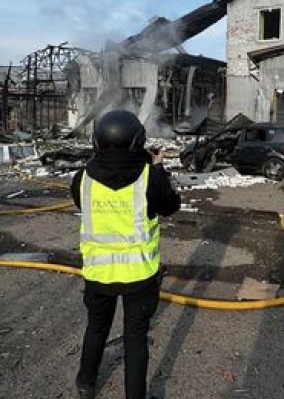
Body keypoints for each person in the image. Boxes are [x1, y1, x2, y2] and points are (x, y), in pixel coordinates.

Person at [70, 110, 180, 399]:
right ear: (138, 141)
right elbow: (170, 206)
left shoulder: (82, 178)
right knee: (135, 341)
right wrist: (157, 169)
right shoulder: (149, 178)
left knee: (96, 329)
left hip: (98, 274)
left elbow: (82, 205)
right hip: (139, 276)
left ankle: (85, 383)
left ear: (97, 141)